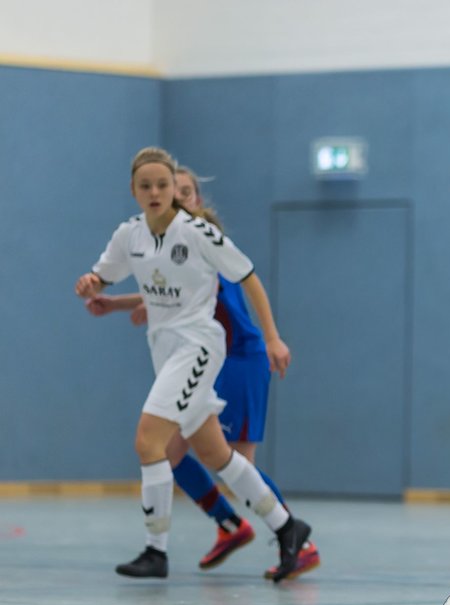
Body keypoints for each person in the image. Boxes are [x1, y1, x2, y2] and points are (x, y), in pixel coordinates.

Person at [75, 146, 313, 582]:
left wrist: (273, 336)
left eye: (162, 185)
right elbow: (104, 275)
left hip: (200, 347)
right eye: (145, 185)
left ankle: (156, 550)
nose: (155, 192)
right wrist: (92, 284)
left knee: (149, 441)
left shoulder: (198, 233)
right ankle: (286, 526)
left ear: (175, 191)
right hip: (164, 348)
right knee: (214, 453)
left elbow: (249, 277)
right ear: (133, 190)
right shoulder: (129, 235)